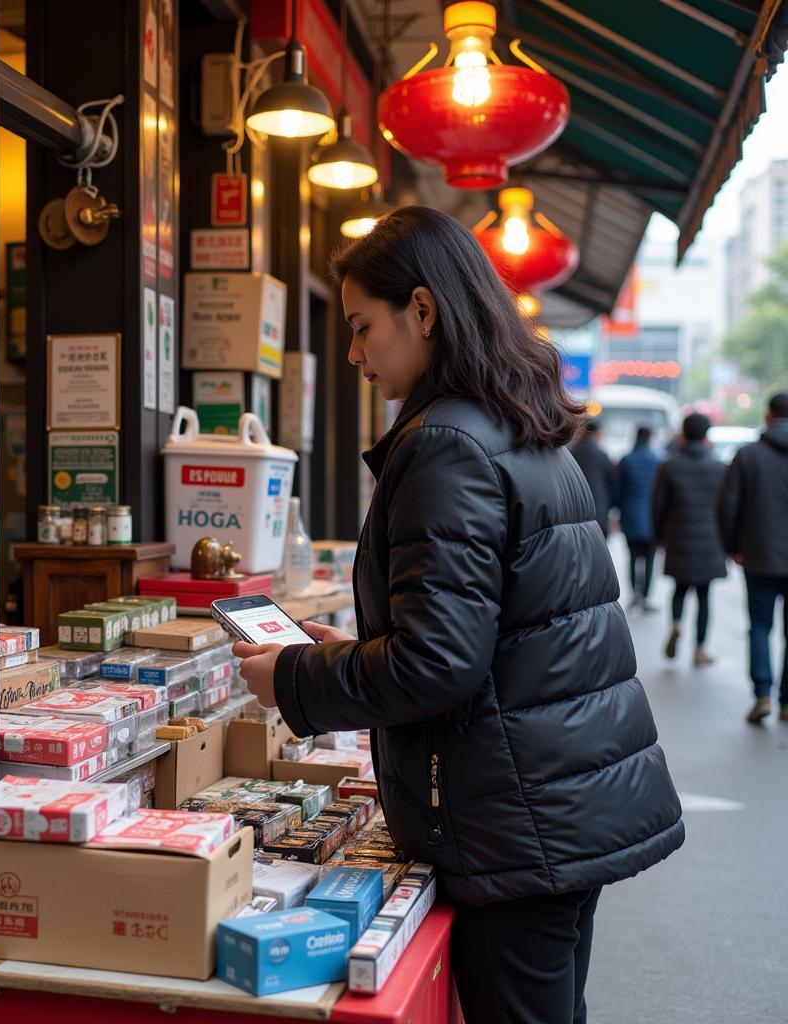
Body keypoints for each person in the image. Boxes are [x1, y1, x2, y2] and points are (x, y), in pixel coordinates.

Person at [233, 207, 684, 1024]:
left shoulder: (448, 445)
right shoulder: (516, 425)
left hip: (518, 822)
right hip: (552, 805)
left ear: (425, 310)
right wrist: (362, 649)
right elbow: (489, 629)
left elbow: (440, 662)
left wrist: (296, 678)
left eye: (364, 326)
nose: (354, 352)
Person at [717, 393, 788, 725]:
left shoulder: (747, 455)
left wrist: (732, 546)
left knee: (760, 625)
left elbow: (727, 505)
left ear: (768, 416)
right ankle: (787, 701)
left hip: (759, 555)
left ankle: (762, 693)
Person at [652, 412, 726, 666]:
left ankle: (675, 623)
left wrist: (659, 536)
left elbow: (658, 505)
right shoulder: (719, 467)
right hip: (710, 540)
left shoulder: (669, 465)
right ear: (707, 435)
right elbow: (727, 507)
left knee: (680, 589)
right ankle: (700, 649)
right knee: (705, 595)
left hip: (678, 537)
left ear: (683, 433)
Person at [614, 426, 663, 611]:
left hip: (630, 516)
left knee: (633, 557)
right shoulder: (658, 460)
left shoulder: (626, 460)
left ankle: (635, 594)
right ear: (650, 438)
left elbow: (618, 490)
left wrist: (617, 512)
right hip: (651, 519)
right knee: (649, 560)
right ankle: (645, 598)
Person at [568, 419, 614, 538]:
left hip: (574, 511)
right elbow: (611, 483)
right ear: (597, 433)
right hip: (598, 508)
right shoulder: (602, 454)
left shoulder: (571, 452)